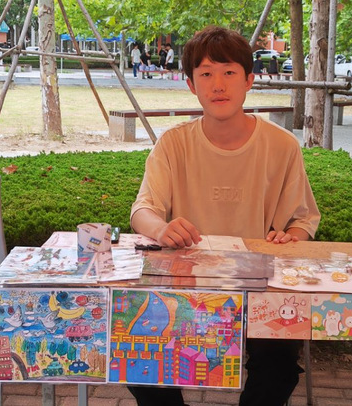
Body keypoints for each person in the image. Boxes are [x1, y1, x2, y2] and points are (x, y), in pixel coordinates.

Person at [128, 25, 320, 406]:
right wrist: (162, 229)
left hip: (260, 290)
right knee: (140, 355)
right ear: (190, 84)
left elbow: (301, 221)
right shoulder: (173, 144)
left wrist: (290, 238)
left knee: (279, 363)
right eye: (206, 74)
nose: (218, 85)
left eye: (229, 72)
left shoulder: (282, 146)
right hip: (185, 291)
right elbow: (142, 210)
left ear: (249, 80)